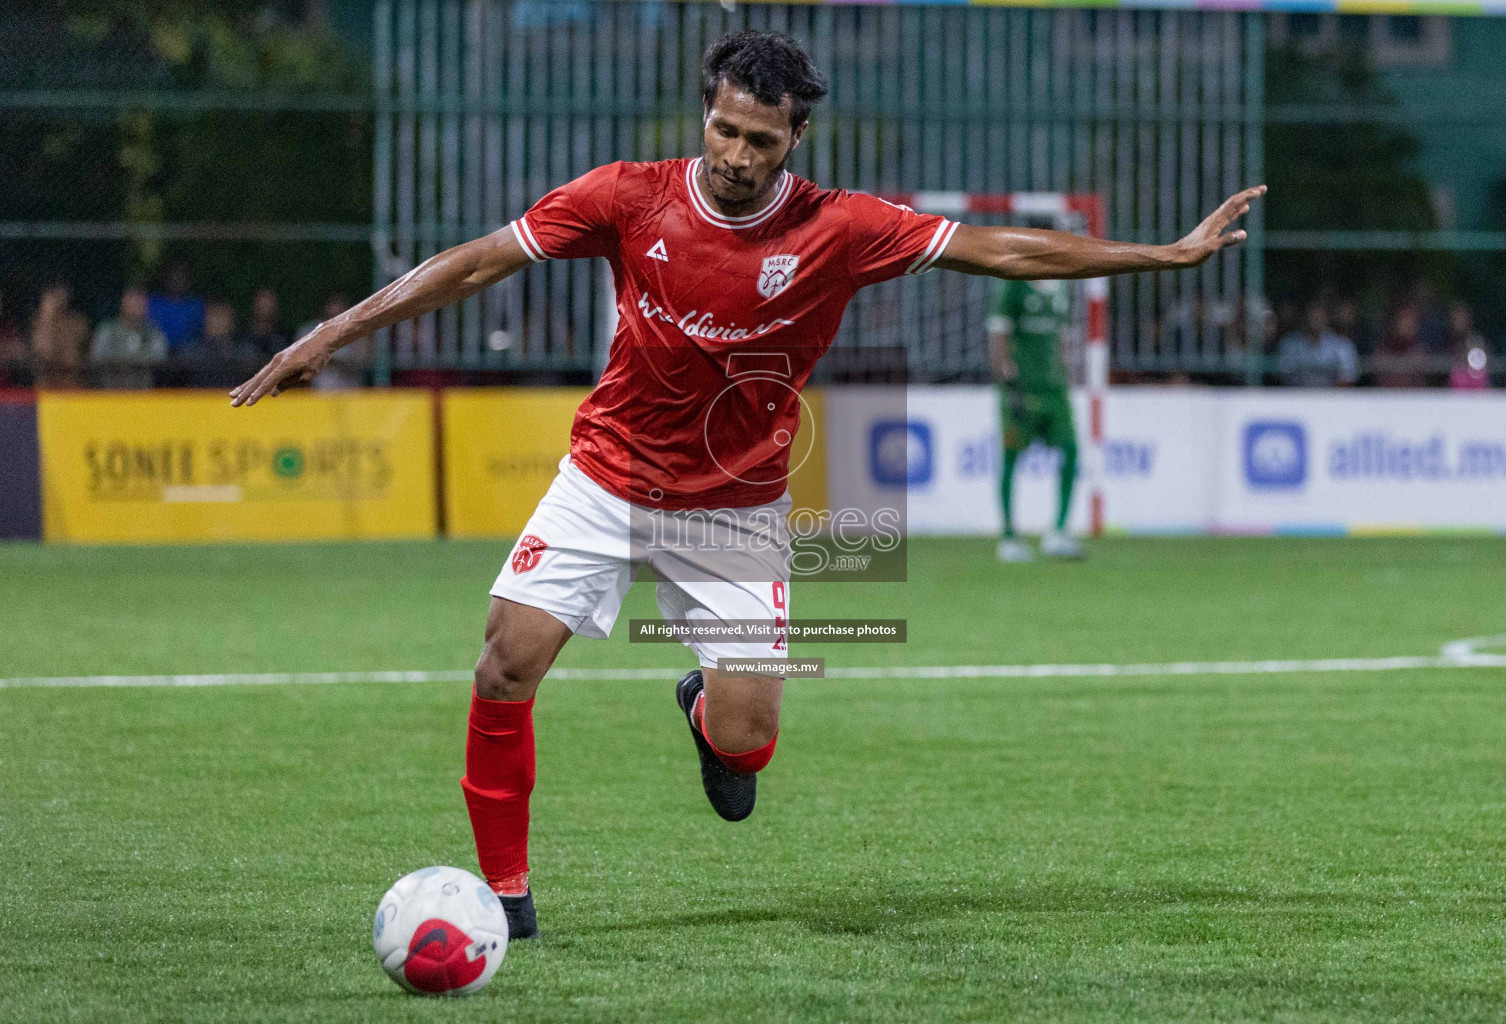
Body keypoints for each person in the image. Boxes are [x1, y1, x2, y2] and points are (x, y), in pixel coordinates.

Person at [230, 30, 1263, 940]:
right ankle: (506, 898)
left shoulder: (841, 229)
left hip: (735, 510)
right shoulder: (628, 197)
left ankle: (704, 715)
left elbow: (1003, 253)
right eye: (722, 131)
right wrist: (334, 333)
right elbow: (473, 265)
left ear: (794, 139)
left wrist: (1161, 256)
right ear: (707, 115)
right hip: (606, 479)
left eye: (758, 142)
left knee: (748, 741)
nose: (733, 155)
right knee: (506, 660)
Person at [988, 273, 1081, 562]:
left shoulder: (1063, 285)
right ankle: (1008, 536)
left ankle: (1059, 532)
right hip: (1021, 390)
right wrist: (1005, 376)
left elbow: (1063, 336)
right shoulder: (1013, 284)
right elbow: (998, 333)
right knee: (1011, 456)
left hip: (1055, 389)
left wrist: (1068, 372)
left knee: (1070, 450)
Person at [88, 286, 168, 389]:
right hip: (111, 393)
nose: (136, 305)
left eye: (140, 301)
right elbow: (97, 356)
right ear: (122, 303)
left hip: (144, 394)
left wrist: (134, 362)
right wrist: (120, 363)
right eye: (132, 300)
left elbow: (159, 358)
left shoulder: (154, 333)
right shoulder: (107, 330)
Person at [1276, 298, 1358, 387]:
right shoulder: (1289, 344)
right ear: (1305, 317)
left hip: (1333, 398)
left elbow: (1348, 378)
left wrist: (1326, 397)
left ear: (1327, 318)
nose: (1315, 321)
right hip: (1297, 398)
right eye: (1312, 316)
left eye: (1319, 317)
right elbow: (1285, 377)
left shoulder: (1343, 345)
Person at [29, 281, 89, 390]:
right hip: (46, 386)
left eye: (61, 291)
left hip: (72, 385)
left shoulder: (78, 322)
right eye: (53, 293)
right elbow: (44, 354)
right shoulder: (38, 323)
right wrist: (47, 317)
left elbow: (71, 359)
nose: (59, 297)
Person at [146, 261, 206, 353]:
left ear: (188, 281)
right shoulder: (153, 303)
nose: (176, 280)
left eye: (180, 276)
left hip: (190, 357)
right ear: (165, 279)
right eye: (172, 276)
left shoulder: (197, 306)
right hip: (155, 354)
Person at [1446, 301, 1490, 391]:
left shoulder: (1476, 341)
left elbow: (1484, 371)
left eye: (1462, 316)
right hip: (1448, 395)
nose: (1460, 320)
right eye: (1456, 317)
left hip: (1477, 392)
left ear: (1469, 319)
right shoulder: (1444, 341)